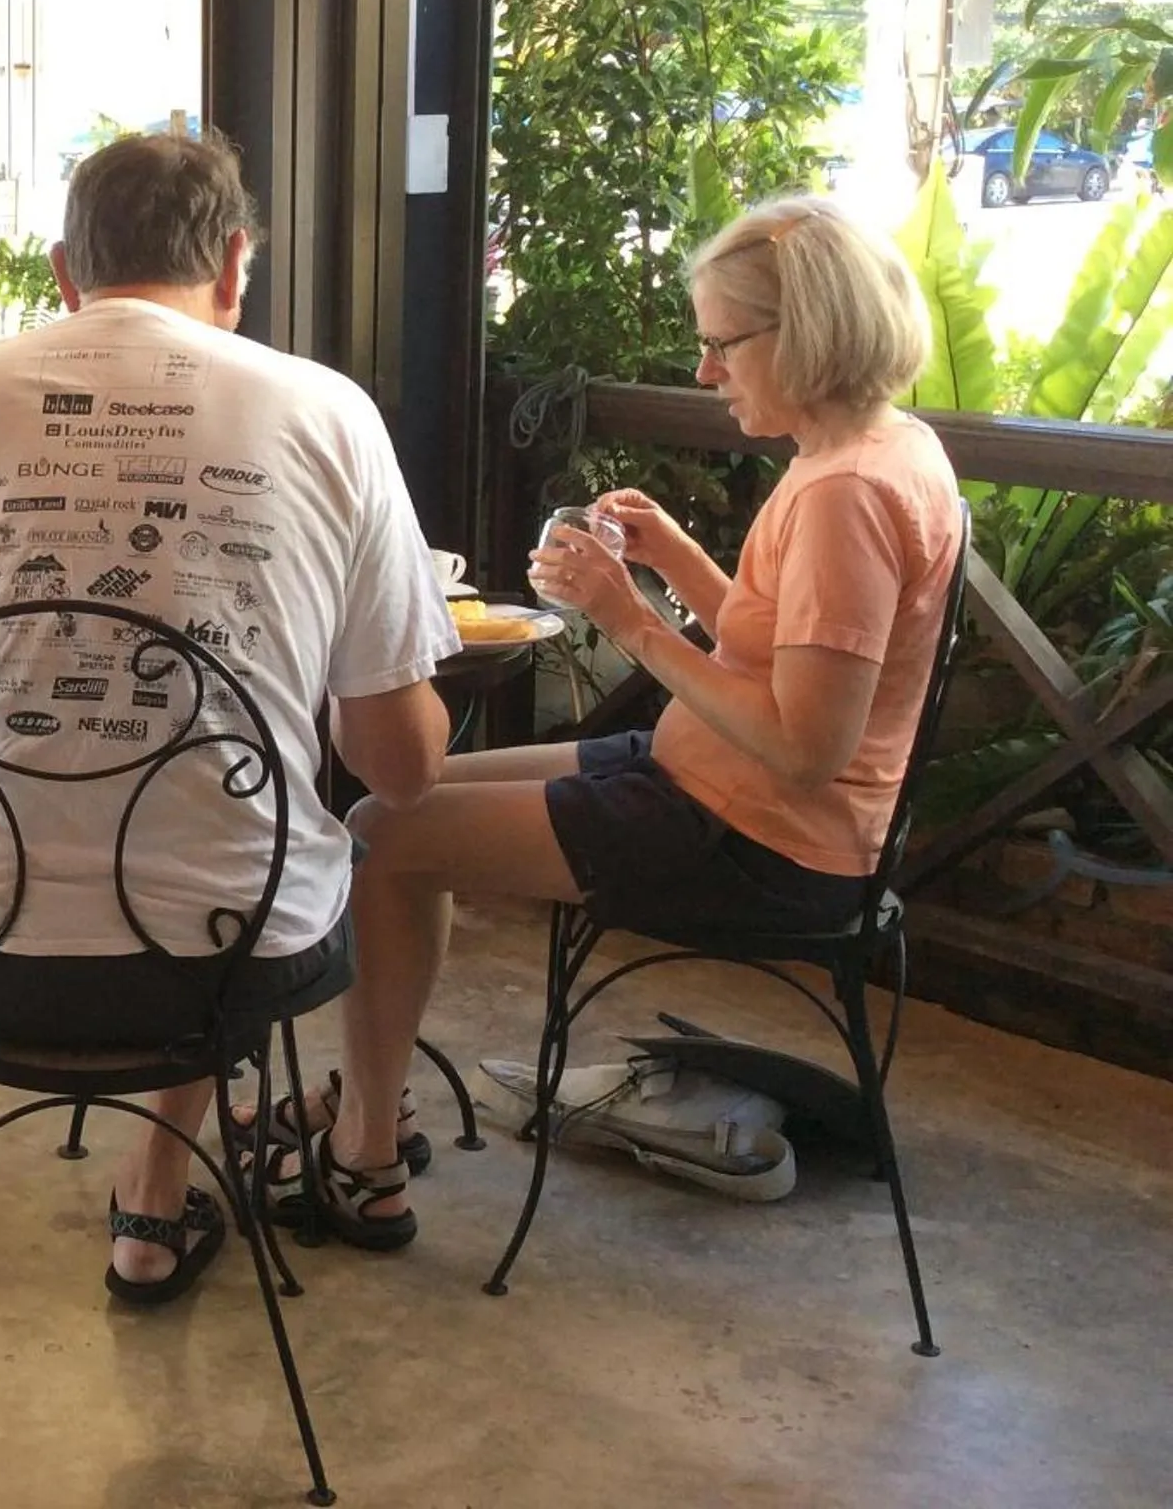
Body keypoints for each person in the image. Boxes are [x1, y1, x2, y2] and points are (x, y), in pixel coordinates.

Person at [0, 131, 456, 1302]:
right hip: (229, 965)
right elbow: (399, 771)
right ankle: (155, 1198)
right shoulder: (333, 414)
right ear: (237, 264)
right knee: (223, 838)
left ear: (65, 270)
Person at [314, 195, 964, 1252]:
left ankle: (364, 1146)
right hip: (714, 785)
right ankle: (372, 1088)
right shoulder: (884, 449)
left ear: (803, 336)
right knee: (407, 786)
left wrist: (625, 619)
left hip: (763, 840)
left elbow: (809, 746)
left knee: (385, 839)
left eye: (721, 345)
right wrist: (673, 566)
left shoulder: (845, 494)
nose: (707, 373)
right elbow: (779, 647)